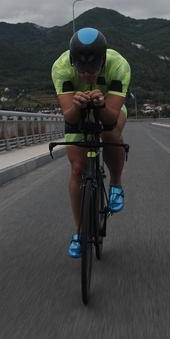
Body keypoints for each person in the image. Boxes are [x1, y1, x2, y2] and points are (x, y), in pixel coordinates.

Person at [51, 27, 131, 258]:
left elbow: (110, 117)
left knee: (109, 133)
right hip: (77, 108)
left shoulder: (119, 65)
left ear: (103, 60)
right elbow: (70, 117)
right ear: (72, 62)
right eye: (82, 69)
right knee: (77, 168)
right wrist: (76, 105)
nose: (87, 75)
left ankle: (116, 184)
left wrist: (101, 104)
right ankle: (79, 231)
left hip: (109, 107)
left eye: (94, 69)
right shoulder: (61, 67)